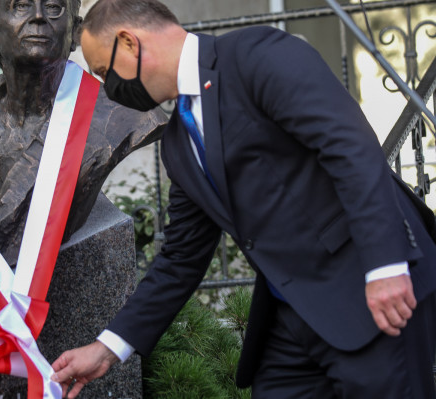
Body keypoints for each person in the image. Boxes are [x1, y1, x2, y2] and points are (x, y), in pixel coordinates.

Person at [51, 0, 436, 398]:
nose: (108, 90)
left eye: (103, 72)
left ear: (129, 42)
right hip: (292, 323)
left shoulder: (259, 55)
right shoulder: (179, 146)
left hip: (372, 294)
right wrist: (107, 349)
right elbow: (181, 258)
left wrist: (386, 265)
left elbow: (350, 149)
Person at [0, 0, 166, 274]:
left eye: (54, 7)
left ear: (75, 31)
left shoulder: (128, 116)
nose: (38, 17)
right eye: (21, 5)